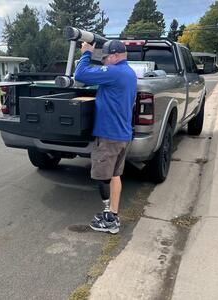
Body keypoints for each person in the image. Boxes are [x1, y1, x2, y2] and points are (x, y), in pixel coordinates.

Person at [74, 40, 137, 234]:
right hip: (121, 134)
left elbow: (80, 74)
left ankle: (110, 220)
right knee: (115, 175)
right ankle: (113, 213)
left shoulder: (115, 72)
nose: (104, 63)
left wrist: (86, 53)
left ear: (116, 55)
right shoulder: (129, 73)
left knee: (103, 177)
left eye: (106, 58)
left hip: (109, 136)